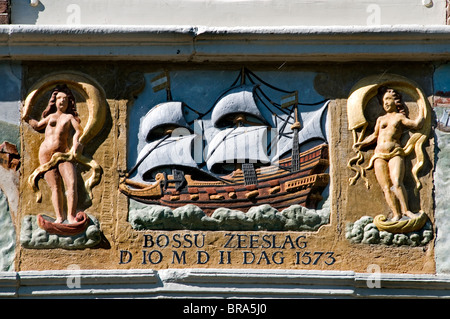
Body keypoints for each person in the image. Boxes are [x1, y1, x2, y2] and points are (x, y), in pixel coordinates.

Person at [353, 86, 424, 221]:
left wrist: (422, 111)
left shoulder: (399, 117)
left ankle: (407, 211)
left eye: (388, 99)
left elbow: (415, 124)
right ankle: (396, 214)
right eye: (384, 100)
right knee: (385, 187)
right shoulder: (380, 119)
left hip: (395, 152)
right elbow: (374, 135)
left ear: (395, 101)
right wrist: (362, 143)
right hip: (379, 154)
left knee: (397, 182)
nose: (385, 103)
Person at [24, 85, 83, 224]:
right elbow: (38, 125)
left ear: (69, 102)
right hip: (45, 153)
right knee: (55, 187)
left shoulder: (69, 117)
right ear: (54, 101)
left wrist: (75, 144)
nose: (62, 101)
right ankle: (59, 217)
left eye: (65, 99)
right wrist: (27, 117)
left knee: (71, 184)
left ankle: (70, 216)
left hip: (63, 154)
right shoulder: (50, 116)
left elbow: (79, 131)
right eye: (59, 98)